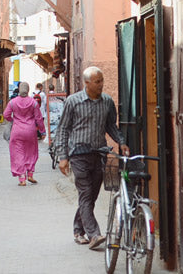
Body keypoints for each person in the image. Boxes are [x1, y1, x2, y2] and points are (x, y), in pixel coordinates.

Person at [55, 66, 129, 251]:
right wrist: (62, 157)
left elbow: (111, 125)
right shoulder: (73, 102)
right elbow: (63, 129)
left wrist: (121, 142)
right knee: (86, 193)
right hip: (78, 154)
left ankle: (78, 231)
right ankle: (94, 234)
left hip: (99, 154)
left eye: (102, 81)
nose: (101, 85)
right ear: (86, 83)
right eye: (97, 82)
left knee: (91, 196)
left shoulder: (107, 102)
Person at [2, 81, 46, 186]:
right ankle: (30, 174)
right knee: (31, 152)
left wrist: (12, 119)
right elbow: (38, 118)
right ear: (28, 90)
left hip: (17, 131)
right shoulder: (33, 103)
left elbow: (5, 114)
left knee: (18, 153)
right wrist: (42, 131)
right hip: (30, 131)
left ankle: (22, 178)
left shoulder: (13, 102)